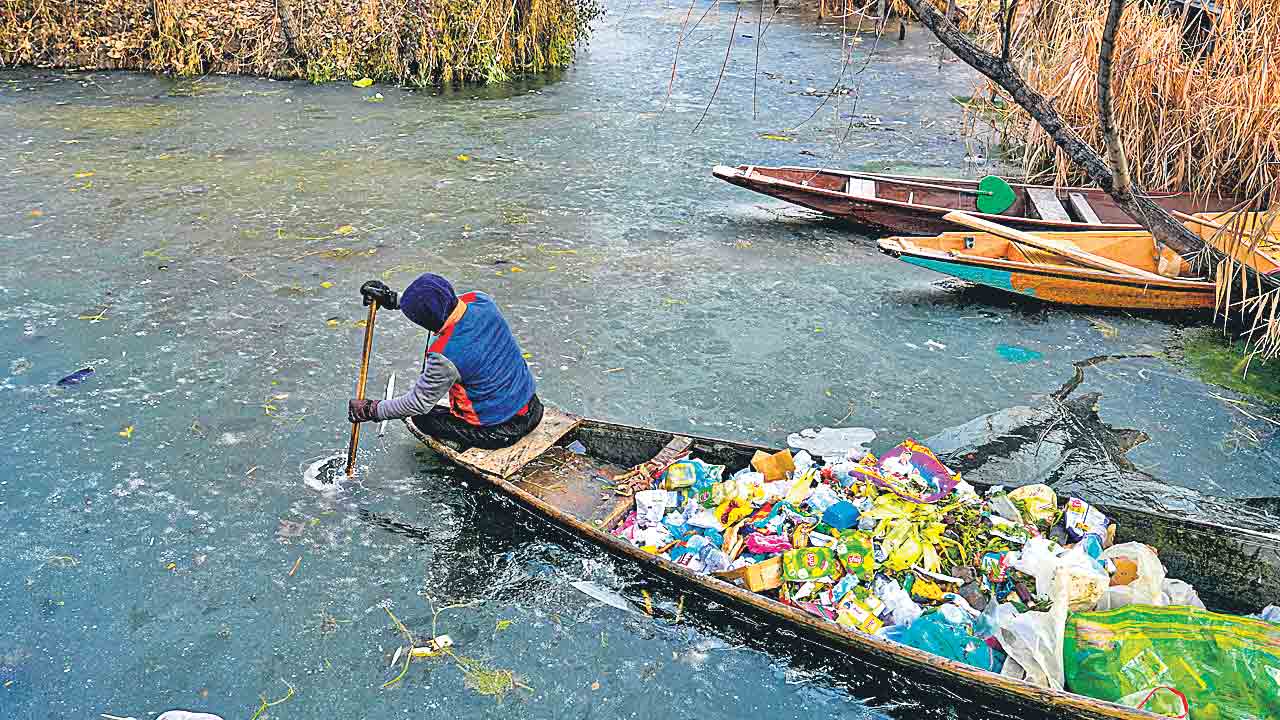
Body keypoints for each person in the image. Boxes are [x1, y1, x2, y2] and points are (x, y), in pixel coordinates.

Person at [347, 273, 543, 449]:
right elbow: (443, 304)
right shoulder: (481, 300)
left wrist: (372, 410)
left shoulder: (444, 356)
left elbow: (418, 403)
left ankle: (461, 443)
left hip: (500, 431)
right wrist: (392, 298)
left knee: (422, 418)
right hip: (533, 407)